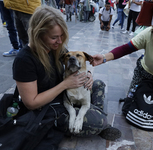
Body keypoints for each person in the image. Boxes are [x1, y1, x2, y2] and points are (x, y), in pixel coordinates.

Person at [12, 5, 121, 149]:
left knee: (98, 84)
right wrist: (65, 84)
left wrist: (87, 75)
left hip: (66, 92)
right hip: (48, 108)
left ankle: (89, 110)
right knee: (99, 122)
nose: (60, 41)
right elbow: (31, 103)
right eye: (54, 37)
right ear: (38, 34)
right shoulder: (25, 60)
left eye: (62, 36)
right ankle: (92, 116)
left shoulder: (56, 48)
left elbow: (76, 64)